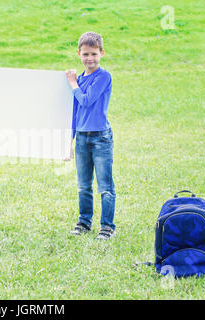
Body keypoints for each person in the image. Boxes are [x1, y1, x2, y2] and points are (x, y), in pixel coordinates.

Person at [65, 31, 116, 239]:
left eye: (94, 54)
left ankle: (107, 227)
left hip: (101, 138)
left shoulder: (103, 77)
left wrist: (73, 84)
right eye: (85, 54)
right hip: (82, 138)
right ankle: (84, 222)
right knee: (83, 185)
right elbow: (75, 111)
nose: (90, 59)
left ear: (102, 53)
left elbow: (87, 100)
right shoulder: (79, 80)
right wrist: (68, 140)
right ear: (79, 54)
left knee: (105, 186)